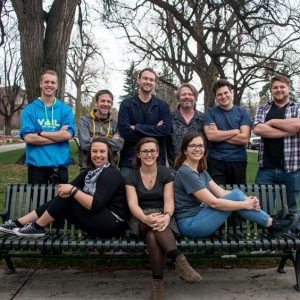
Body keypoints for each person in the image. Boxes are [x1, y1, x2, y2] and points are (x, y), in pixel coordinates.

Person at [173, 132, 298, 240]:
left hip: (201, 217)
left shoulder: (200, 171)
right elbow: (214, 203)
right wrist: (244, 204)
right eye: (192, 146)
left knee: (236, 193)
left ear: (205, 149)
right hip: (191, 224)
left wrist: (248, 200)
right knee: (236, 195)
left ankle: (270, 222)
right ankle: (272, 223)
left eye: (200, 145)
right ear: (185, 150)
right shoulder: (186, 172)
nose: (197, 149)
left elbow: (221, 193)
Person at [0, 137, 129, 238]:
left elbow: (96, 204)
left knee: (70, 197)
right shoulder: (90, 173)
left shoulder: (110, 174)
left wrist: (73, 190)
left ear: (109, 154)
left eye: (102, 151)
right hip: (99, 218)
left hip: (113, 223)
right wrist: (69, 190)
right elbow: (64, 189)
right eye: (94, 151)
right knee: (67, 197)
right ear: (89, 154)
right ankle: (20, 223)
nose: (98, 155)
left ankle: (36, 227)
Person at [125, 137, 201, 300]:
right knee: (153, 228)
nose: (149, 154)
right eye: (145, 151)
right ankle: (179, 261)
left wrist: (166, 217)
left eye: (152, 150)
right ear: (138, 154)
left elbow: (169, 201)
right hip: (140, 217)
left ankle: (157, 287)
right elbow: (133, 205)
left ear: (158, 153)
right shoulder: (131, 175)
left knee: (153, 237)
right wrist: (146, 219)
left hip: (163, 216)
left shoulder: (166, 173)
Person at [253, 74, 300, 230]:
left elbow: (298, 125)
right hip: (266, 168)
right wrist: (288, 130)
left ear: (288, 88)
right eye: (275, 87)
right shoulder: (263, 108)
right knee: (262, 209)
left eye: (282, 87)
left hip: (291, 170)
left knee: (291, 209)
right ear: (271, 90)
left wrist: (272, 123)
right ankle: (263, 243)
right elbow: (259, 129)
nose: (278, 90)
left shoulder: (297, 108)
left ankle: (291, 244)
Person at [20, 70, 76, 184]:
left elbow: (67, 135)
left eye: (52, 82)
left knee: (59, 202)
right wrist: (57, 136)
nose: (49, 85)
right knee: (38, 202)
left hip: (60, 168)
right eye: (46, 82)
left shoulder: (66, 110)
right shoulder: (29, 110)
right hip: (36, 169)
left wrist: (41, 133)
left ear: (57, 86)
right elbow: (29, 138)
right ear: (41, 84)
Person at [118, 68, 172, 177]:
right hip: (130, 160)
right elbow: (124, 131)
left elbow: (165, 130)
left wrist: (136, 127)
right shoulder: (126, 104)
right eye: (145, 78)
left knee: (154, 194)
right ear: (139, 80)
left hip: (155, 160)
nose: (148, 81)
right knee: (126, 193)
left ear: (155, 83)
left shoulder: (163, 106)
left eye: (151, 79)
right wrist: (155, 131)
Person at [204, 79, 251, 184]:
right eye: (219, 94)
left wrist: (219, 135)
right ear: (216, 97)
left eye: (226, 93)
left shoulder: (242, 112)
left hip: (238, 161)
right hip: (216, 161)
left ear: (231, 93)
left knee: (238, 196)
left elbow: (244, 139)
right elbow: (211, 136)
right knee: (218, 197)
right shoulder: (210, 113)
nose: (223, 96)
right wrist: (235, 131)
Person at [78, 89, 124, 171]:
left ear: (111, 104)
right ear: (96, 103)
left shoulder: (115, 124)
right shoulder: (84, 121)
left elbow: (119, 145)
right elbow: (84, 144)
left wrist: (93, 139)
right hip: (88, 168)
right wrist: (111, 140)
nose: (106, 104)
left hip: (110, 168)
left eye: (109, 102)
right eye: (103, 101)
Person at [167, 83, 204, 167]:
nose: (187, 97)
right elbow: (164, 143)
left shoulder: (204, 119)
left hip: (198, 169)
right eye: (183, 94)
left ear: (195, 98)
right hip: (175, 169)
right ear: (178, 98)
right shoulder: (169, 118)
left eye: (190, 94)